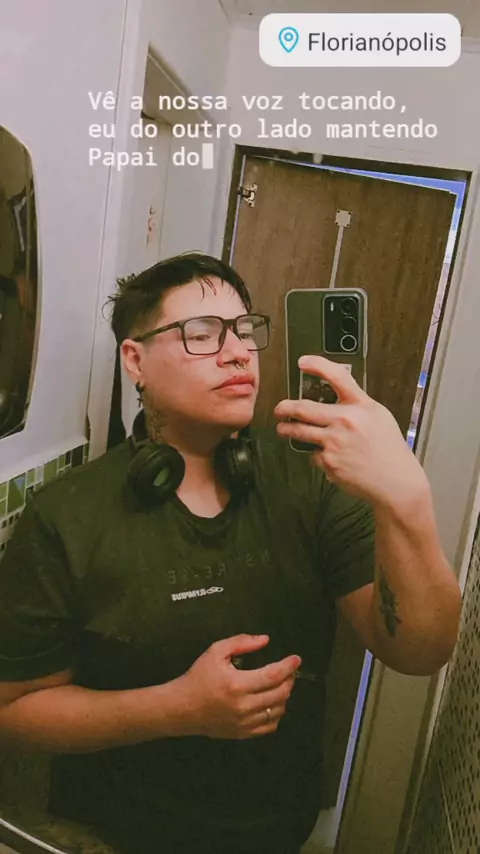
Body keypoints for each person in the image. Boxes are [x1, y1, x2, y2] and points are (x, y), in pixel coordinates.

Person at [0, 253, 462, 854]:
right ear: (135, 360)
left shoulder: (311, 479)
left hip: (276, 831)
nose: (239, 351)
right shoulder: (66, 516)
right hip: (117, 835)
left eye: (245, 330)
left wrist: (406, 499)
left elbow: (421, 651)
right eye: (201, 333)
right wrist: (177, 709)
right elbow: (14, 712)